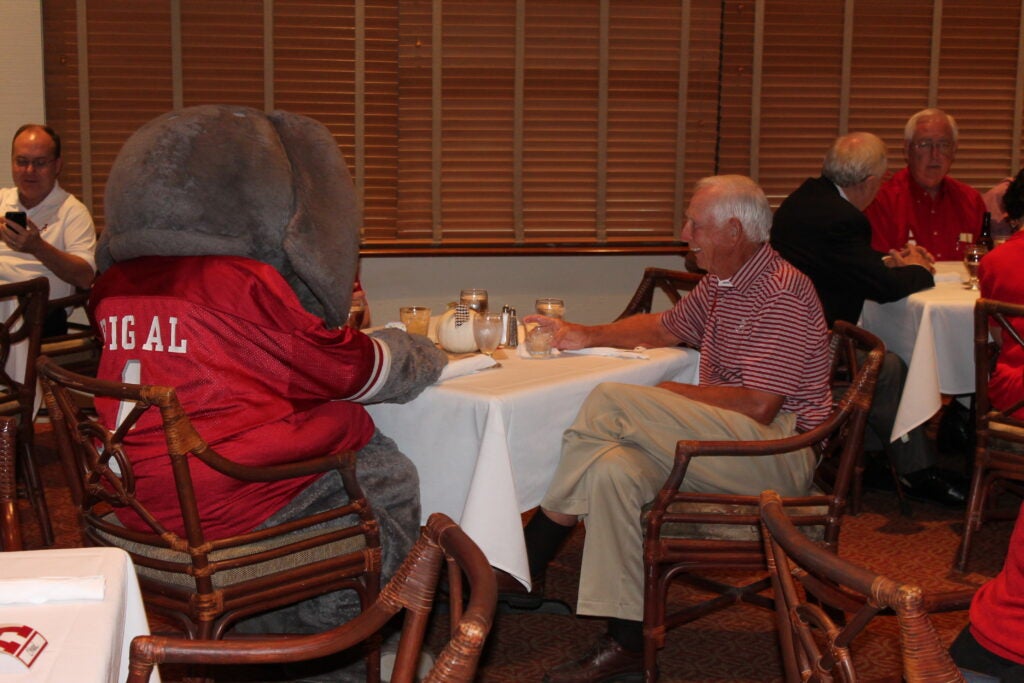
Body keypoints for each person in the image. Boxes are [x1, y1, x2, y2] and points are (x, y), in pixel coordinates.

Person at [91, 105, 447, 681]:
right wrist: (422, 352)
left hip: (127, 504)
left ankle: (245, 632)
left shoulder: (113, 286)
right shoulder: (234, 282)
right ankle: (344, 654)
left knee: (323, 448)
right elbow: (352, 371)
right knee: (384, 473)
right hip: (210, 514)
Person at [511, 175, 833, 683]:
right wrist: (584, 334)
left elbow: (759, 404)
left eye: (695, 224)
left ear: (732, 230)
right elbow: (664, 327)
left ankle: (532, 555)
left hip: (779, 450)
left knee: (614, 401)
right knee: (612, 470)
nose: (685, 233)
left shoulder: (782, 291)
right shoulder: (724, 281)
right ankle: (626, 640)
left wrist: (666, 397)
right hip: (730, 441)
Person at [771, 132, 966, 507]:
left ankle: (877, 456)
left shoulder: (806, 199)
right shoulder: (843, 218)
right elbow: (885, 289)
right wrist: (920, 269)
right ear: (870, 181)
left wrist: (887, 260)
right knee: (889, 365)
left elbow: (845, 261)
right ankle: (915, 471)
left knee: (888, 362)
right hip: (813, 348)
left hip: (790, 333)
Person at [0, 124, 96, 335]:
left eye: (40, 163)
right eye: (22, 162)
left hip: (38, 317)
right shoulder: (1, 200)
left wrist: (37, 247)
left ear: (57, 165)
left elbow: (85, 277)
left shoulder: (72, 212)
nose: (29, 171)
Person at [865, 108, 986, 261]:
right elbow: (875, 264)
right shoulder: (881, 200)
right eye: (924, 144)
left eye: (943, 144)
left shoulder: (971, 201)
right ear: (907, 149)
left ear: (954, 149)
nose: (935, 155)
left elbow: (983, 262)